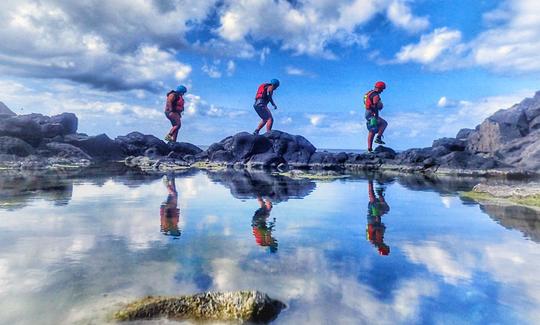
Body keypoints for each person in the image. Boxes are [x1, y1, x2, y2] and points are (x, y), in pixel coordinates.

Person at [366, 179, 390, 255]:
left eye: (386, 247)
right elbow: (381, 228)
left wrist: (378, 226)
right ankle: (380, 192)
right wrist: (381, 227)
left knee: (374, 202)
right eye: (387, 247)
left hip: (372, 219)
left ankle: (370, 182)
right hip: (376, 219)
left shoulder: (373, 240)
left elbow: (370, 228)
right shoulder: (380, 240)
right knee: (386, 208)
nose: (386, 245)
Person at [364, 81, 388, 152]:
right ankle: (378, 138)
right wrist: (376, 116)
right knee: (383, 124)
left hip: (367, 113)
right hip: (372, 114)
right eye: (382, 89)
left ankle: (370, 149)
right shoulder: (375, 95)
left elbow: (367, 102)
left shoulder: (369, 93)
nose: (382, 91)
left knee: (372, 130)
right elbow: (375, 106)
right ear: (379, 88)